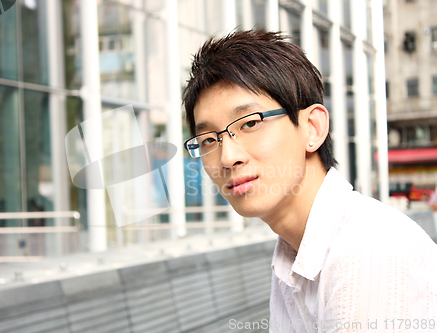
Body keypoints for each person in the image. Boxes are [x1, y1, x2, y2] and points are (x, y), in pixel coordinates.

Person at [182, 30, 437, 332]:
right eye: (209, 139)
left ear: (313, 128)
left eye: (250, 123)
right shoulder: (293, 255)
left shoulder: (366, 250)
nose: (227, 157)